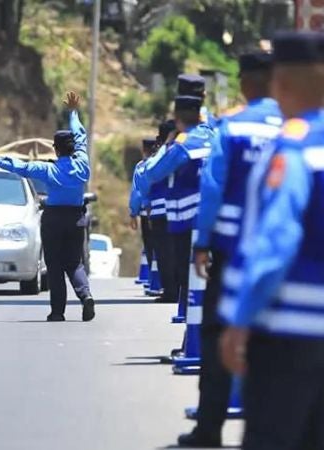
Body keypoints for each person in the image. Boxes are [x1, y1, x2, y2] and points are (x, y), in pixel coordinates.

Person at [219, 31, 324, 450]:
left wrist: (240, 320)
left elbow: (276, 242)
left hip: (287, 331)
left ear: (280, 84)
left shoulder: (294, 149)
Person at [178, 51, 280, 448]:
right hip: (281, 259)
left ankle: (209, 429)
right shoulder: (300, 128)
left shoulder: (232, 127)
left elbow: (213, 189)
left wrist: (202, 243)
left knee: (218, 339)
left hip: (232, 254)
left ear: (243, 83)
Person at [0, 91, 95, 322]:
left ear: (55, 150)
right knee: (75, 263)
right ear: (73, 149)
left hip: (54, 218)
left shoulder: (48, 169)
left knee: (54, 265)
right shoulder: (83, 165)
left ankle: (58, 312)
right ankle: (85, 296)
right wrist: (73, 113)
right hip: (76, 218)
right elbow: (81, 136)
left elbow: (21, 167)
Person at [139, 95, 216, 317]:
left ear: (177, 118)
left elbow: (153, 173)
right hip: (211, 217)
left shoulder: (183, 144)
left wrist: (167, 144)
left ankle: (191, 333)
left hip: (184, 219)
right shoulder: (216, 136)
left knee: (186, 273)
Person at [150, 120, 177, 303]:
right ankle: (177, 290)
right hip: (178, 210)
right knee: (175, 253)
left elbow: (150, 173)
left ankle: (171, 291)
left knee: (165, 254)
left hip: (161, 211)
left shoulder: (168, 153)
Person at [129, 139, 157, 285]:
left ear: (144, 150)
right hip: (165, 211)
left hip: (147, 214)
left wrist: (133, 213)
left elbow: (137, 193)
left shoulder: (141, 167)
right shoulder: (163, 164)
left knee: (150, 246)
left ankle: (154, 280)